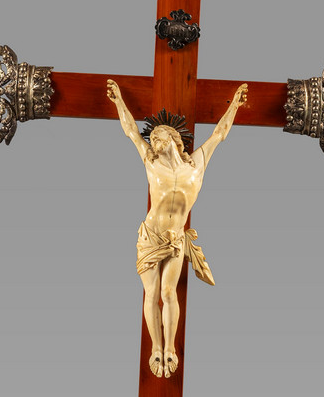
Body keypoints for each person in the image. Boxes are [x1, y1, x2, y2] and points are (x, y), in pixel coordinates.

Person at [106, 79, 248, 378]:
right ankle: (155, 348)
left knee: (168, 292)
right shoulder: (151, 162)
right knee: (151, 292)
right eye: (153, 138)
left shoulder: (196, 165)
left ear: (174, 138)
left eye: (159, 136)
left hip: (174, 238)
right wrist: (119, 101)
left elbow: (219, 134)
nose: (154, 141)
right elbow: (131, 131)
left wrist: (234, 106)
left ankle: (169, 348)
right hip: (150, 236)